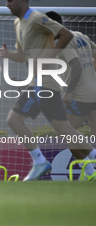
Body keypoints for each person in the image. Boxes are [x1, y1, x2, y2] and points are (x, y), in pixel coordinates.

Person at [0, 0, 90, 181]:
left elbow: (64, 34)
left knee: (14, 120)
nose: (7, 5)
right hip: (42, 82)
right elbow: (23, 55)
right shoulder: (18, 23)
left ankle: (40, 162)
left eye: (10, 0)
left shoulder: (38, 19)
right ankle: (92, 162)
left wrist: (50, 55)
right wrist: (8, 54)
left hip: (43, 83)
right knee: (65, 129)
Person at [45, 11, 96, 180]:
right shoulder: (80, 35)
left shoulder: (63, 44)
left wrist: (69, 91)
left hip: (80, 95)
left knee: (66, 133)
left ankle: (90, 172)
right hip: (93, 92)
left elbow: (76, 67)